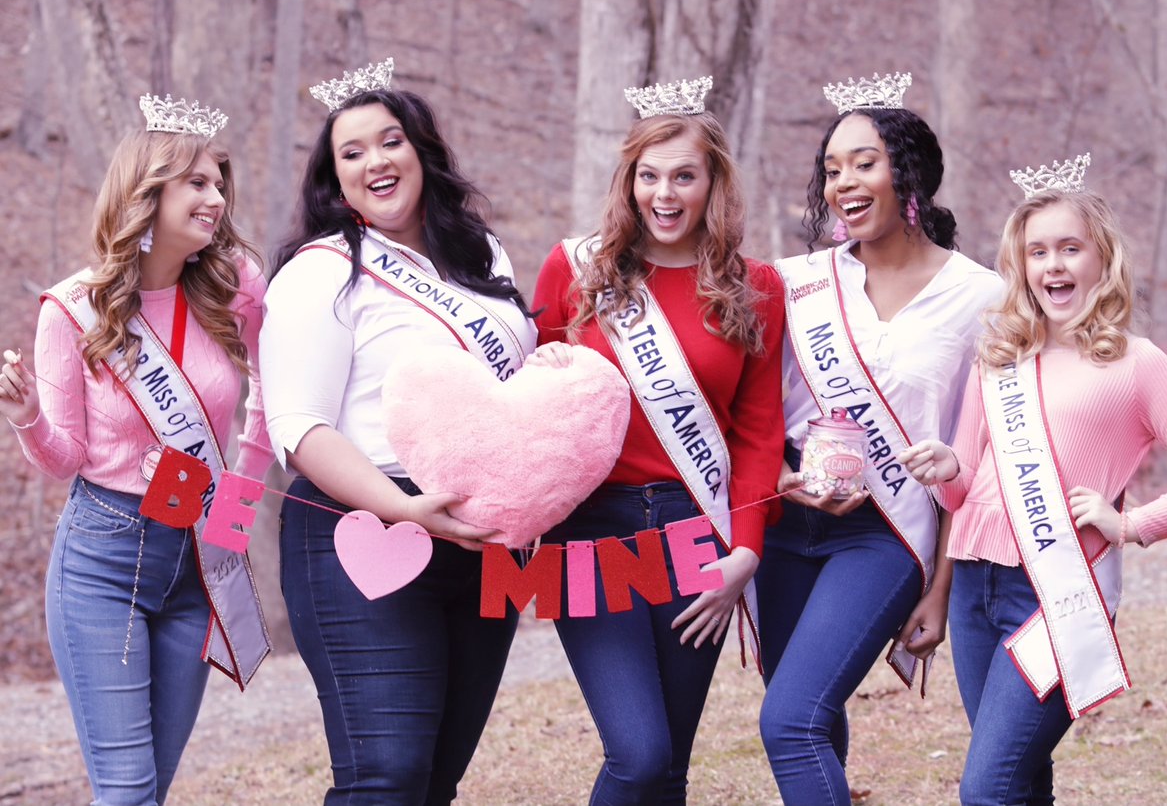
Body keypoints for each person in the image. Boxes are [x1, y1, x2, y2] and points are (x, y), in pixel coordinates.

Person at [259, 58, 540, 805]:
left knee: (435, 782)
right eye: (352, 152)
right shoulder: (320, 272)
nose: (375, 162)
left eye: (390, 141)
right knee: (385, 777)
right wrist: (406, 509)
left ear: (422, 150)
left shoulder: (481, 255)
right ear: (336, 180)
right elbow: (299, 427)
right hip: (363, 528)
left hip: (482, 540)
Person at [898, 160, 1167, 805]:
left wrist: (1132, 525)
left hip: (1055, 594)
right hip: (974, 587)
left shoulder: (1137, 362)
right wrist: (948, 470)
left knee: (987, 791)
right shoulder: (999, 358)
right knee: (1022, 783)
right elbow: (966, 486)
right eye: (1037, 252)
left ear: (1102, 258)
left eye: (1070, 248)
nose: (1053, 265)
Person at [0, 94, 272, 805]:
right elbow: (65, 457)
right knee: (126, 791)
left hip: (196, 557)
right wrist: (28, 417)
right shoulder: (73, 310)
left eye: (220, 183)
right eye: (197, 182)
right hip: (104, 558)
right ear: (146, 194)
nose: (218, 198)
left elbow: (270, 400)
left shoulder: (235, 287)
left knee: (148, 790)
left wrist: (235, 508)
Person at [532, 75, 785, 805]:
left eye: (684, 176)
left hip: (694, 531)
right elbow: (525, 405)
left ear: (714, 183)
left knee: (670, 767)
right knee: (639, 755)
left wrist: (745, 552)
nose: (664, 194)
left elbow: (759, 433)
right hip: (589, 530)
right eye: (649, 175)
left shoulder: (755, 287)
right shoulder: (575, 269)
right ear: (629, 179)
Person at [759, 72, 1004, 806]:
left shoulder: (982, 296)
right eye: (832, 169)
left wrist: (940, 588)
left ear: (910, 173)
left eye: (864, 163)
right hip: (786, 519)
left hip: (885, 530)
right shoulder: (796, 282)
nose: (844, 183)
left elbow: (980, 449)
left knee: (788, 722)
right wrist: (777, 474)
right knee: (814, 716)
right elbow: (752, 406)